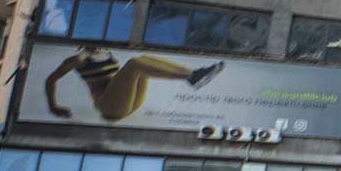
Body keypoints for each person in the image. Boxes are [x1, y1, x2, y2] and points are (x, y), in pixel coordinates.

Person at [39, 46, 221, 120]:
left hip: (130, 104)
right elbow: (50, 80)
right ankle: (191, 77)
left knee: (141, 60)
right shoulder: (78, 59)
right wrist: (53, 107)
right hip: (108, 106)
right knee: (134, 64)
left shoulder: (107, 51)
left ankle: (192, 75)